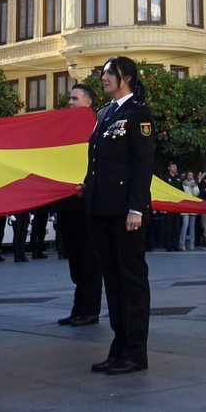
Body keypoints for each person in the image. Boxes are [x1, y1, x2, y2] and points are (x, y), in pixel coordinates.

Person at [83, 56, 154, 375]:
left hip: (126, 212)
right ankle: (119, 345)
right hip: (101, 209)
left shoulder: (137, 113)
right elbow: (97, 161)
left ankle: (136, 351)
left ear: (125, 77)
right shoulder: (103, 113)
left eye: (108, 73)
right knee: (111, 279)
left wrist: (136, 207)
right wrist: (87, 189)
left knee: (131, 281)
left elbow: (143, 164)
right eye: (102, 73)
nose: (103, 78)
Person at [56, 83, 103, 326]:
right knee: (75, 257)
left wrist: (88, 186)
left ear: (88, 103)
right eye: (69, 99)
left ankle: (90, 310)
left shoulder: (96, 127)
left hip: (85, 202)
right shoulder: (64, 128)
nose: (70, 102)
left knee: (89, 257)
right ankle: (79, 307)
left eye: (75, 98)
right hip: (66, 202)